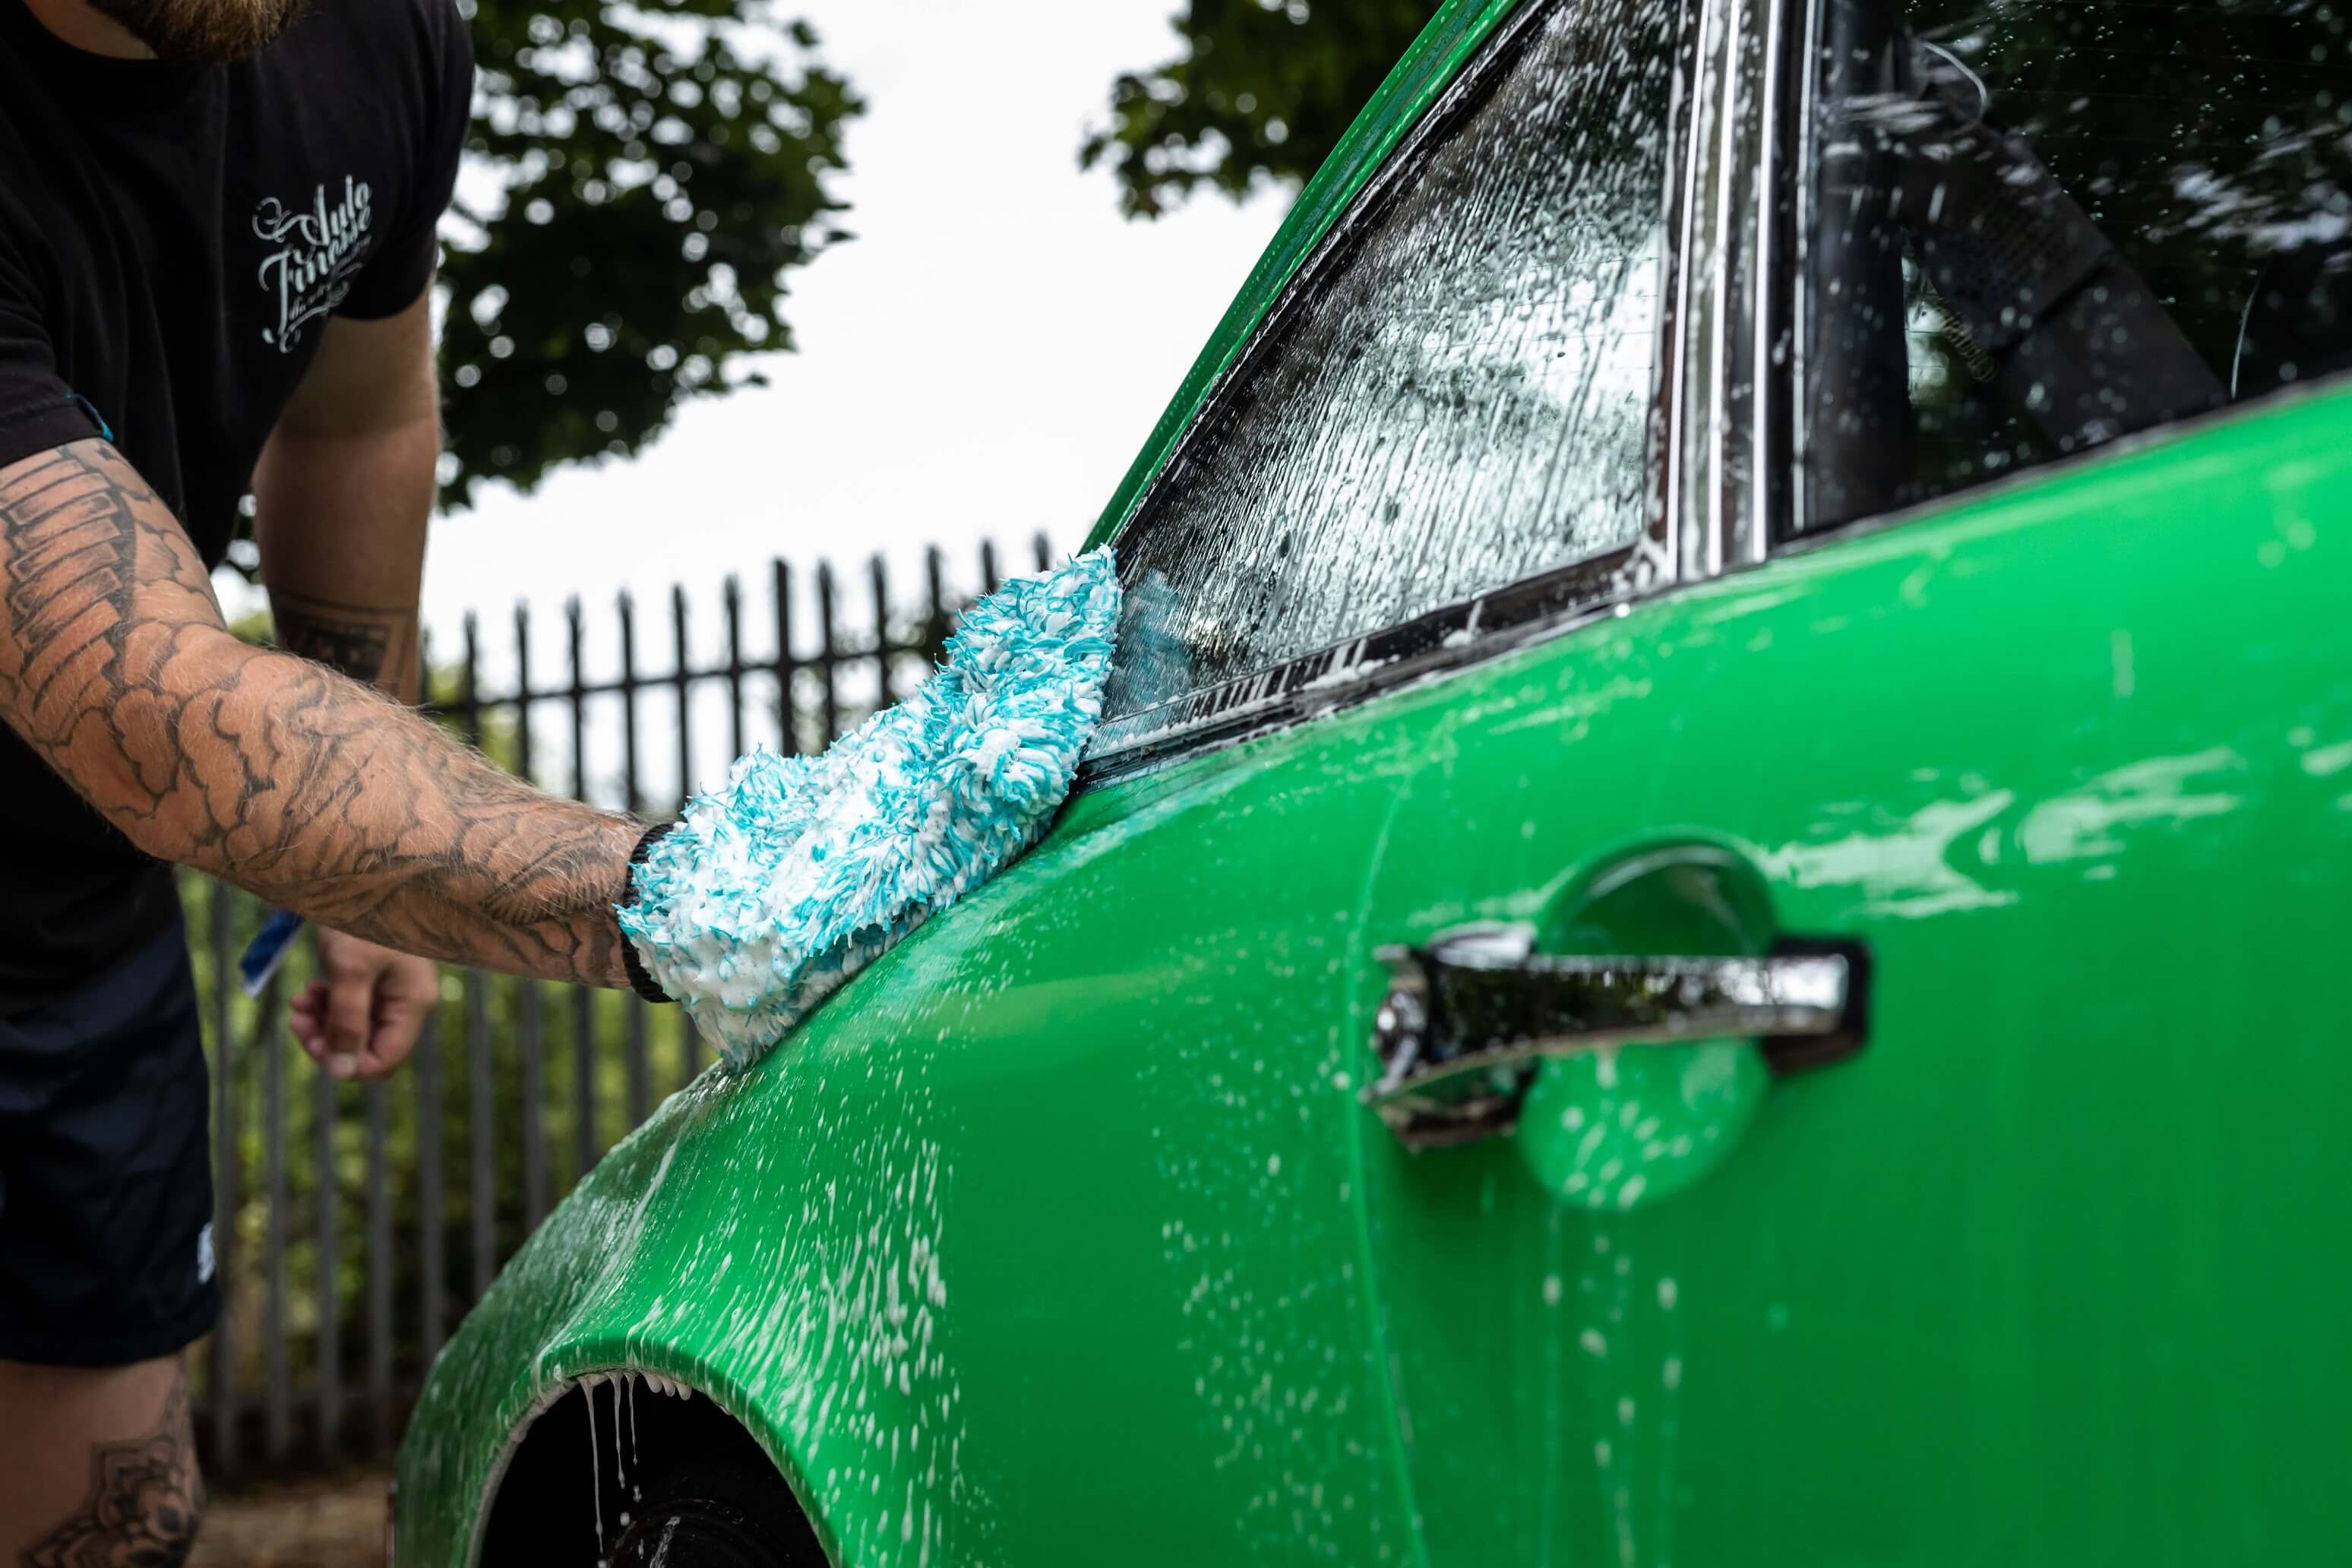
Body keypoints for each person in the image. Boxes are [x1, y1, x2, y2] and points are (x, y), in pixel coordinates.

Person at [0, 0, 677, 1556]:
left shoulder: (375, 35)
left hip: (76, 919)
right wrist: (720, 889)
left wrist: (347, 869)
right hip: (113, 762)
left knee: (117, 1519)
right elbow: (146, 707)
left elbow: (361, 417)